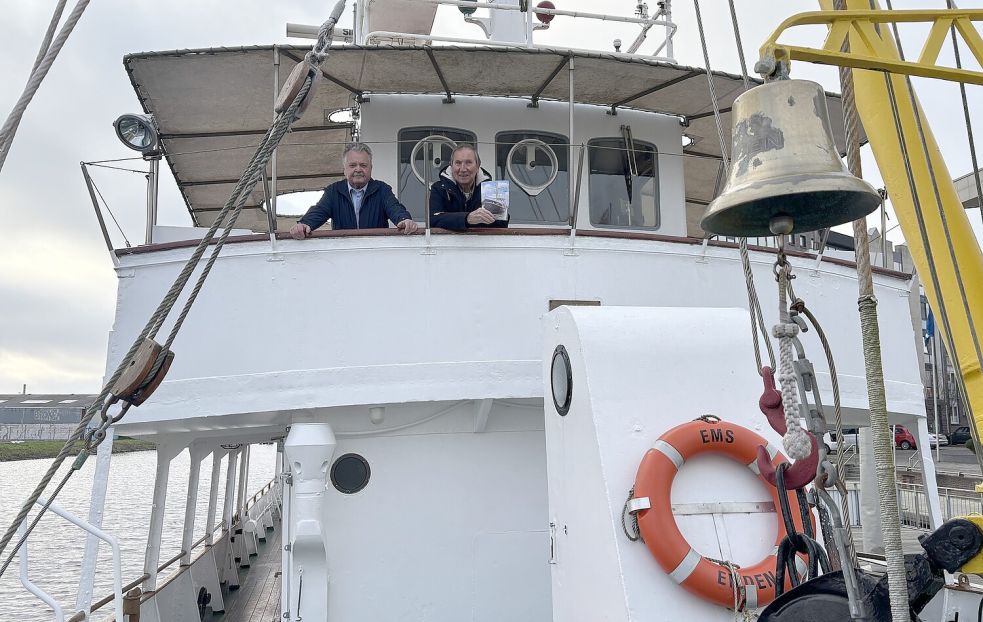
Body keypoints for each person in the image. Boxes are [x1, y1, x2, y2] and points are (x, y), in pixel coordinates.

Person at [289, 142, 418, 239]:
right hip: (344, 257)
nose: (358, 169)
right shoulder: (333, 191)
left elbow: (394, 208)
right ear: (344, 169)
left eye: (363, 165)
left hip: (376, 253)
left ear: (370, 168)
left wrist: (404, 219)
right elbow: (319, 211)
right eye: (352, 165)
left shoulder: (382, 189)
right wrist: (304, 224)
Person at [429, 144, 509, 232]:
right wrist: (467, 218)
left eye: (468, 163)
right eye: (458, 163)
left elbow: (500, 224)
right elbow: (433, 220)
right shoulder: (439, 188)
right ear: (451, 166)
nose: (463, 169)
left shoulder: (492, 189)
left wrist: (501, 211)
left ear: (478, 166)